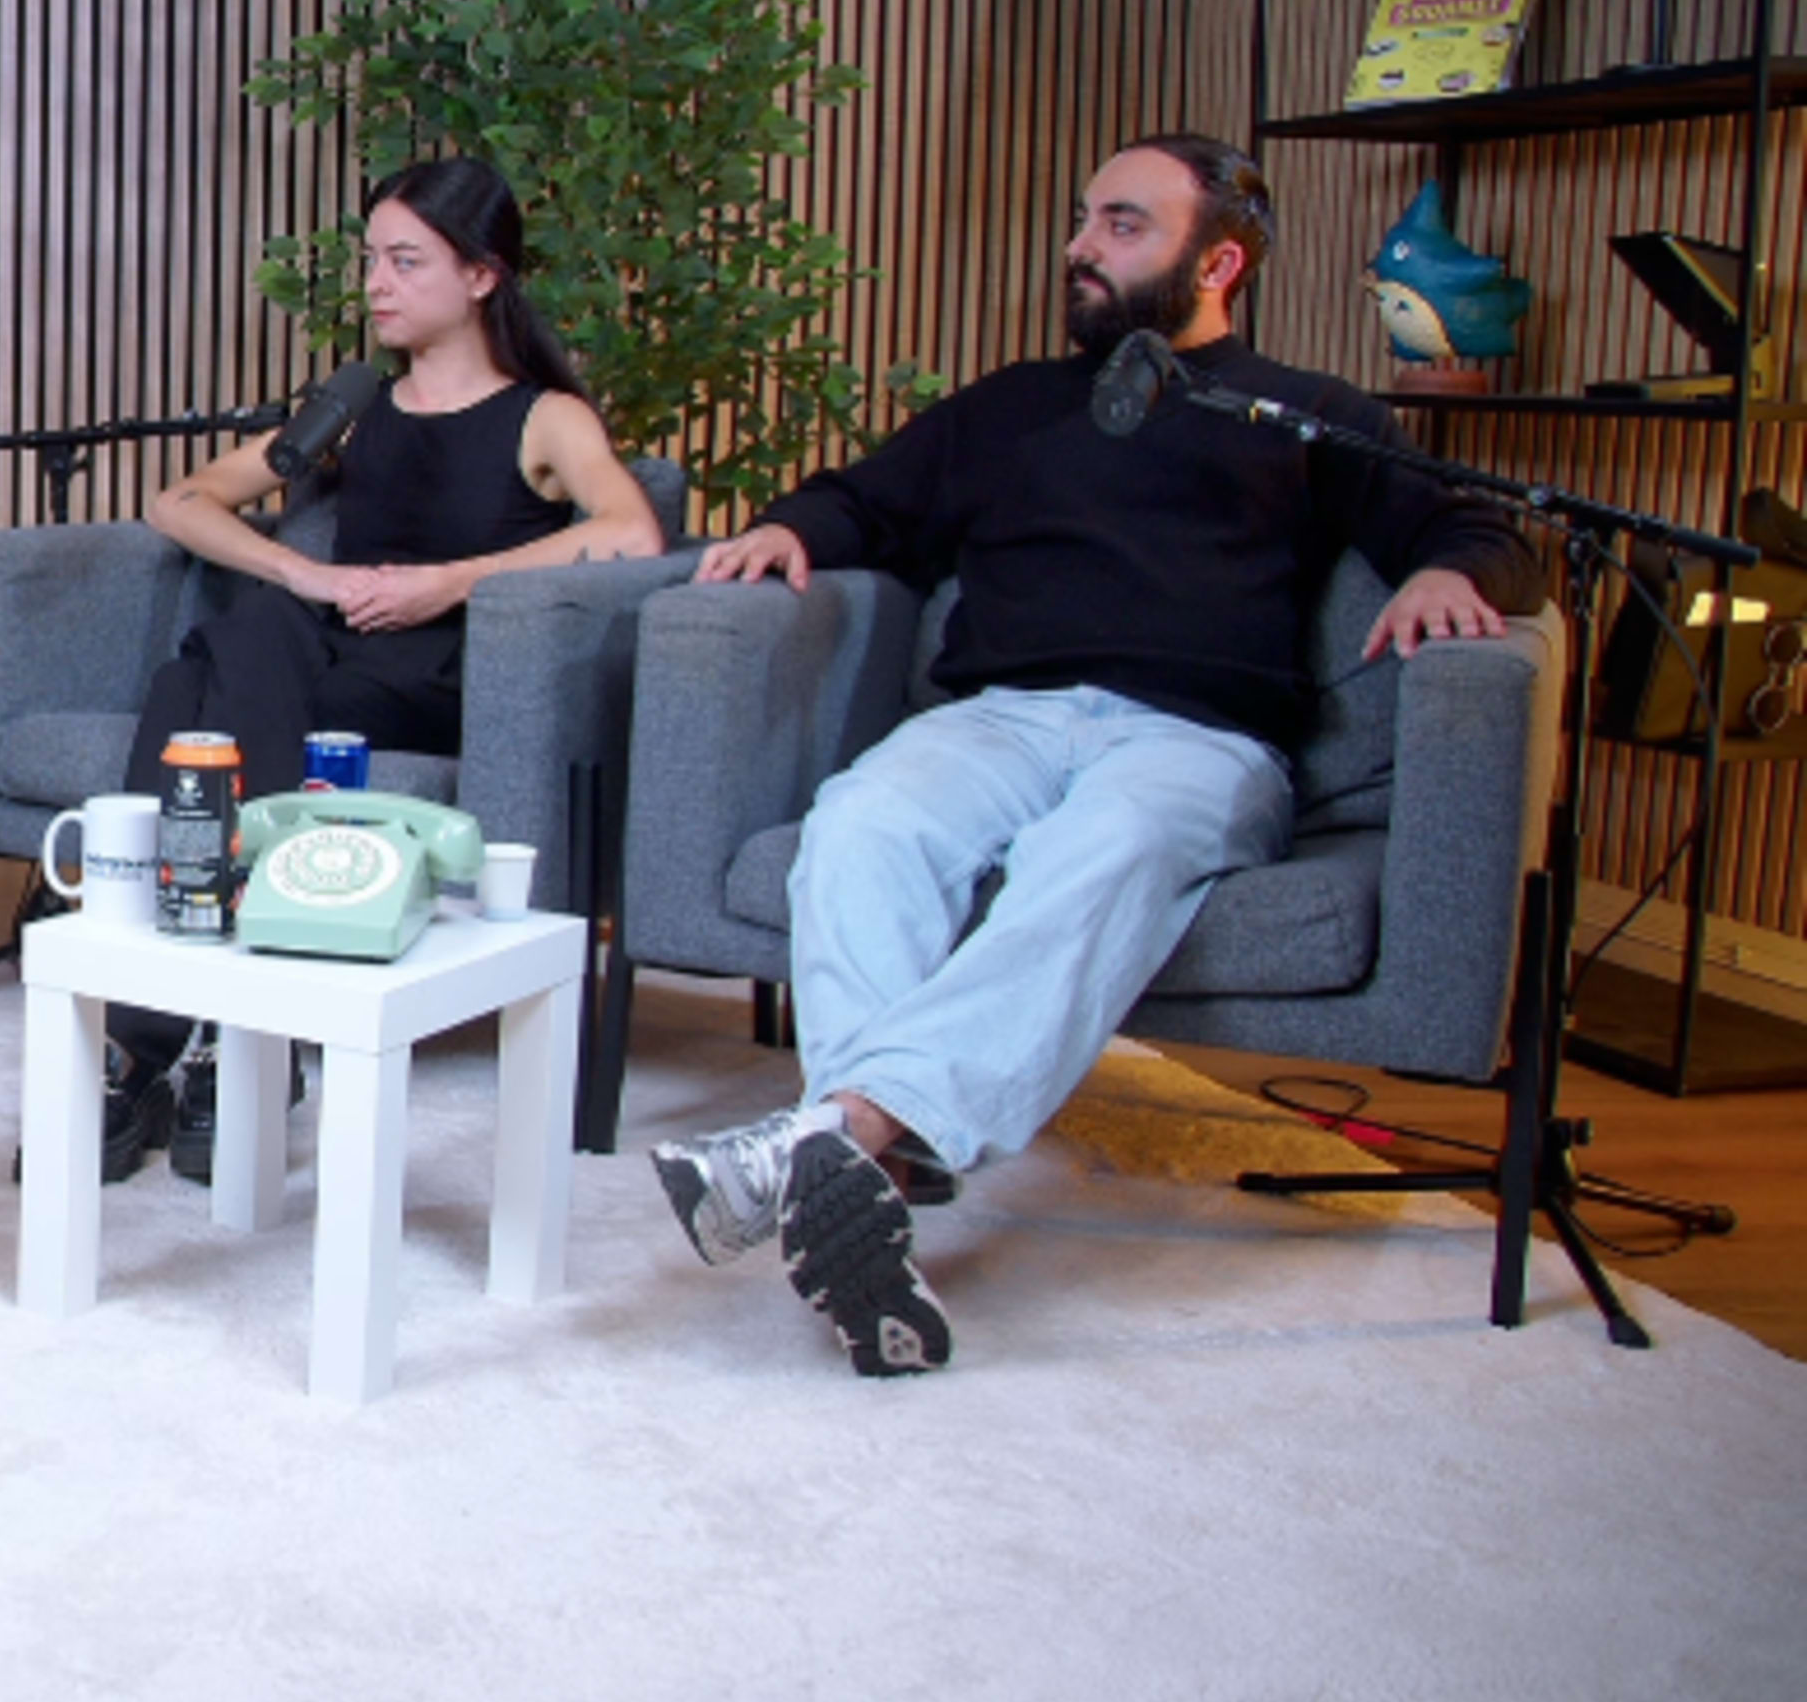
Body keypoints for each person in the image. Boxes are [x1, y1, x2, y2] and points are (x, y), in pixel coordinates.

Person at [649, 133, 1540, 1376]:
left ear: (1217, 260)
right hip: (998, 718)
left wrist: (1453, 568)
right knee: (864, 822)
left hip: (1192, 737)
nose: (1080, 246)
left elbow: (1467, 520)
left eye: (1122, 225)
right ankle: (870, 1169)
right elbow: (867, 500)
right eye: (1084, 220)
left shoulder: (1306, 415)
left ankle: (843, 1132)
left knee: (1107, 846)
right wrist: (785, 531)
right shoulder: (1012, 405)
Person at [98, 155, 666, 1180]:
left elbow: (630, 533)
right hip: (330, 656)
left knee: (206, 679)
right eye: (372, 261)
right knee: (231, 656)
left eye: (407, 262)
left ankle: (153, 1044)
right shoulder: (355, 406)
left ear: (484, 275)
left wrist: (450, 582)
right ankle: (229, 1046)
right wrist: (300, 572)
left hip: (435, 674)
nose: (376, 286)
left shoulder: (544, 417)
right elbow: (178, 502)